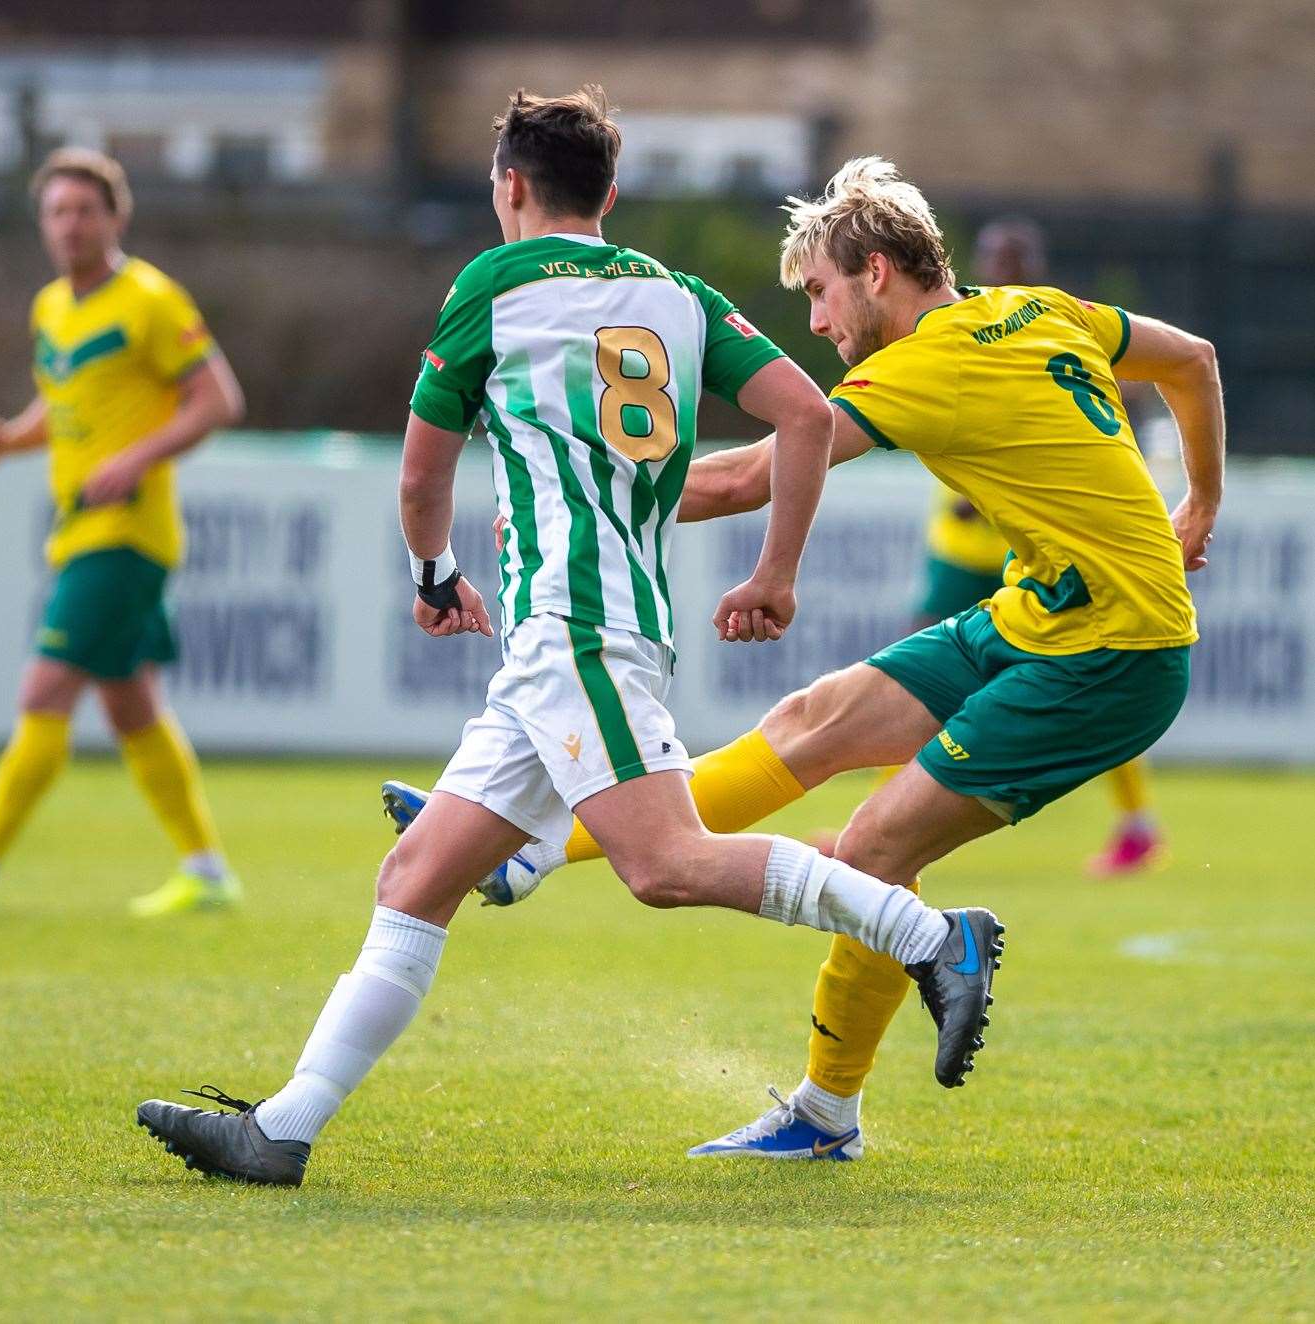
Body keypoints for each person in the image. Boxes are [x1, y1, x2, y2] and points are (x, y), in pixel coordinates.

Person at [135, 93, 1004, 1187]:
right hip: (595, 629)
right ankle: (284, 1128)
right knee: (414, 875)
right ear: (606, 192)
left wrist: (432, 572)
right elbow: (806, 417)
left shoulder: (492, 286)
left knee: (664, 863)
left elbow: (419, 470)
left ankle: (930, 940)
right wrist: (773, 570)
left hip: (571, 628)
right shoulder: (679, 295)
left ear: (508, 185)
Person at [388, 157, 1221, 1161]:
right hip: (1041, 613)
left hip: (1113, 652)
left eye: (820, 295)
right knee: (809, 723)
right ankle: (535, 849)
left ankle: (826, 1113)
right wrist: (1200, 500)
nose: (818, 324)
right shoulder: (1037, 309)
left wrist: (583, 490)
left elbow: (753, 469)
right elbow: (1194, 360)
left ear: (874, 272)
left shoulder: (925, 362)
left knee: (876, 847)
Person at [0, 148, 247, 919]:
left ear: (116, 217)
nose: (71, 225)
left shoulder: (149, 299)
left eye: (85, 210)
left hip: (126, 533)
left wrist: (134, 460)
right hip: (83, 529)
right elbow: (66, 400)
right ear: (42, 224)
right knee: (131, 707)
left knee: (45, 686)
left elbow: (217, 400)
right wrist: (8, 439)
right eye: (57, 212)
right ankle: (207, 871)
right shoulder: (51, 308)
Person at [974, 218, 1167, 877]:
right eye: (994, 259)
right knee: (917, 664)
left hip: (1049, 545)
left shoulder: (1058, 325)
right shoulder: (954, 325)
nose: (1003, 270)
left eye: (1015, 259)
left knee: (1096, 673)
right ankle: (887, 810)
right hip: (965, 541)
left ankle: (1137, 822)